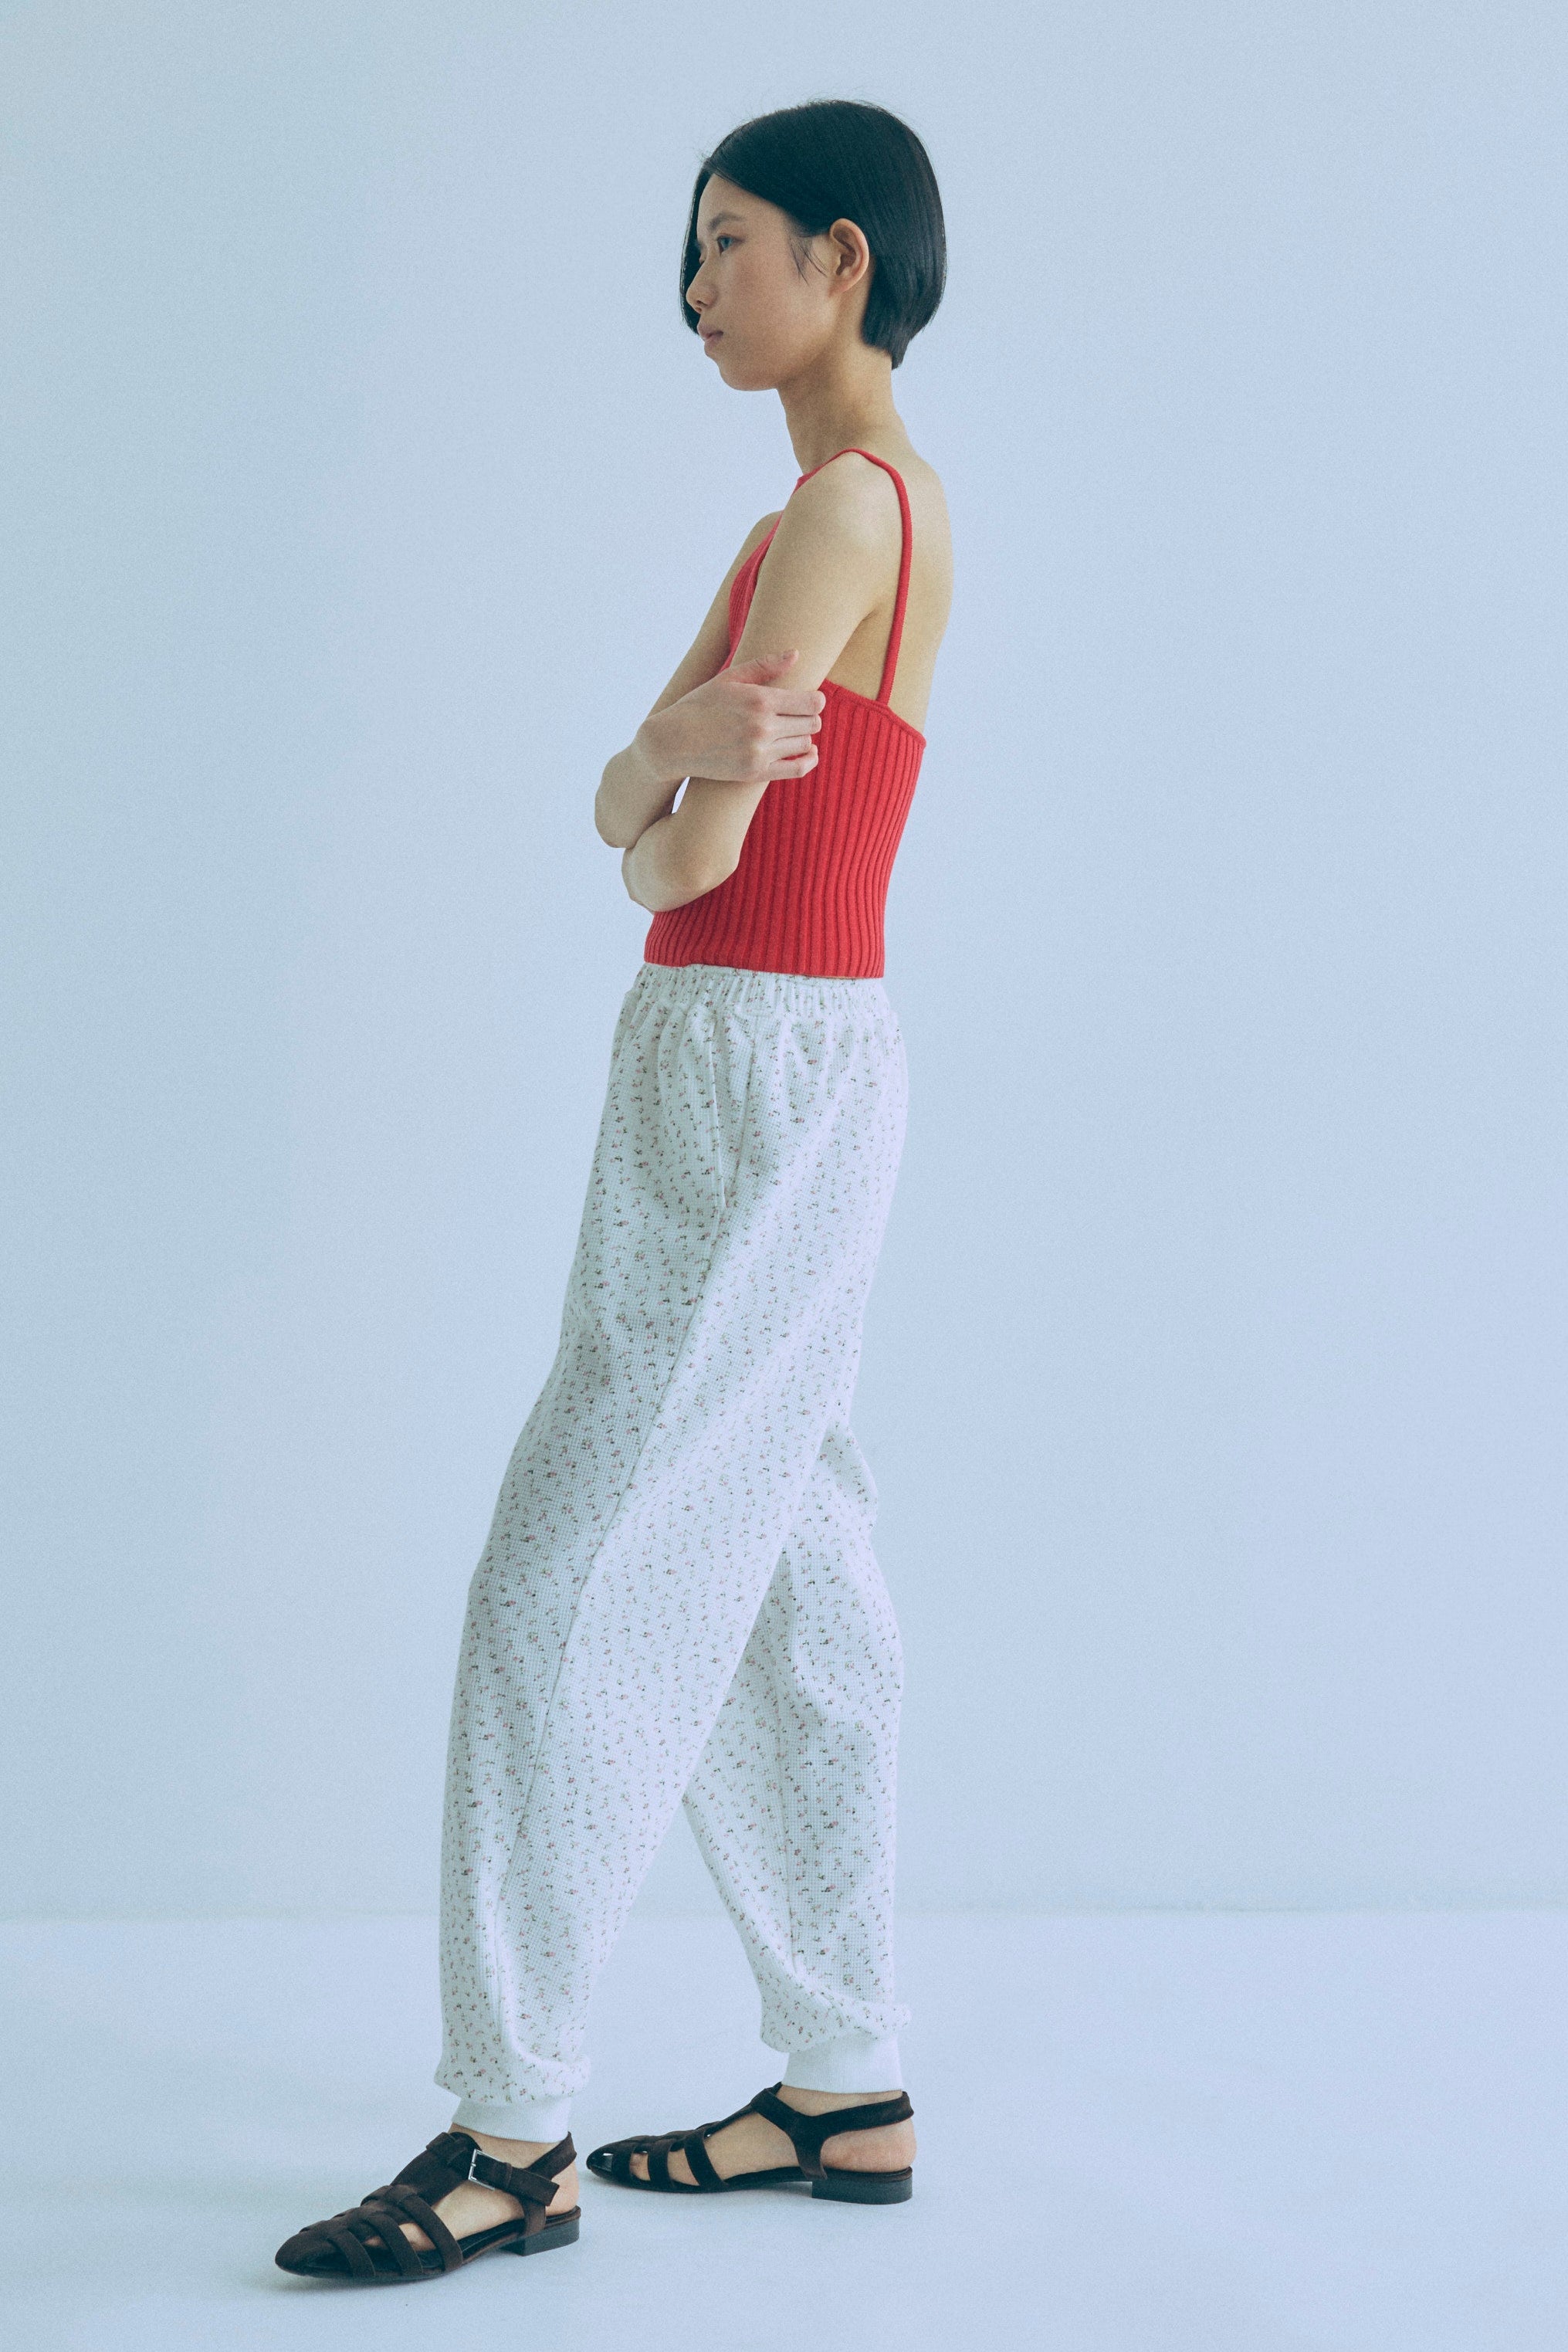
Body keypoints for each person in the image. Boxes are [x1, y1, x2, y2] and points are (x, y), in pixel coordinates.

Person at [275, 96, 952, 2286]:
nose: (694, 290)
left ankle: (511, 2134)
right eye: (693, 248)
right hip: (763, 1058)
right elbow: (624, 806)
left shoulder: (843, 514)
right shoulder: (811, 518)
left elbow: (674, 857)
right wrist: (660, 776)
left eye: (728, 243)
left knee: (566, 1576)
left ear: (842, 260)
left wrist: (660, 788)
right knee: (790, 1567)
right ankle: (842, 2083)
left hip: (751, 1064)